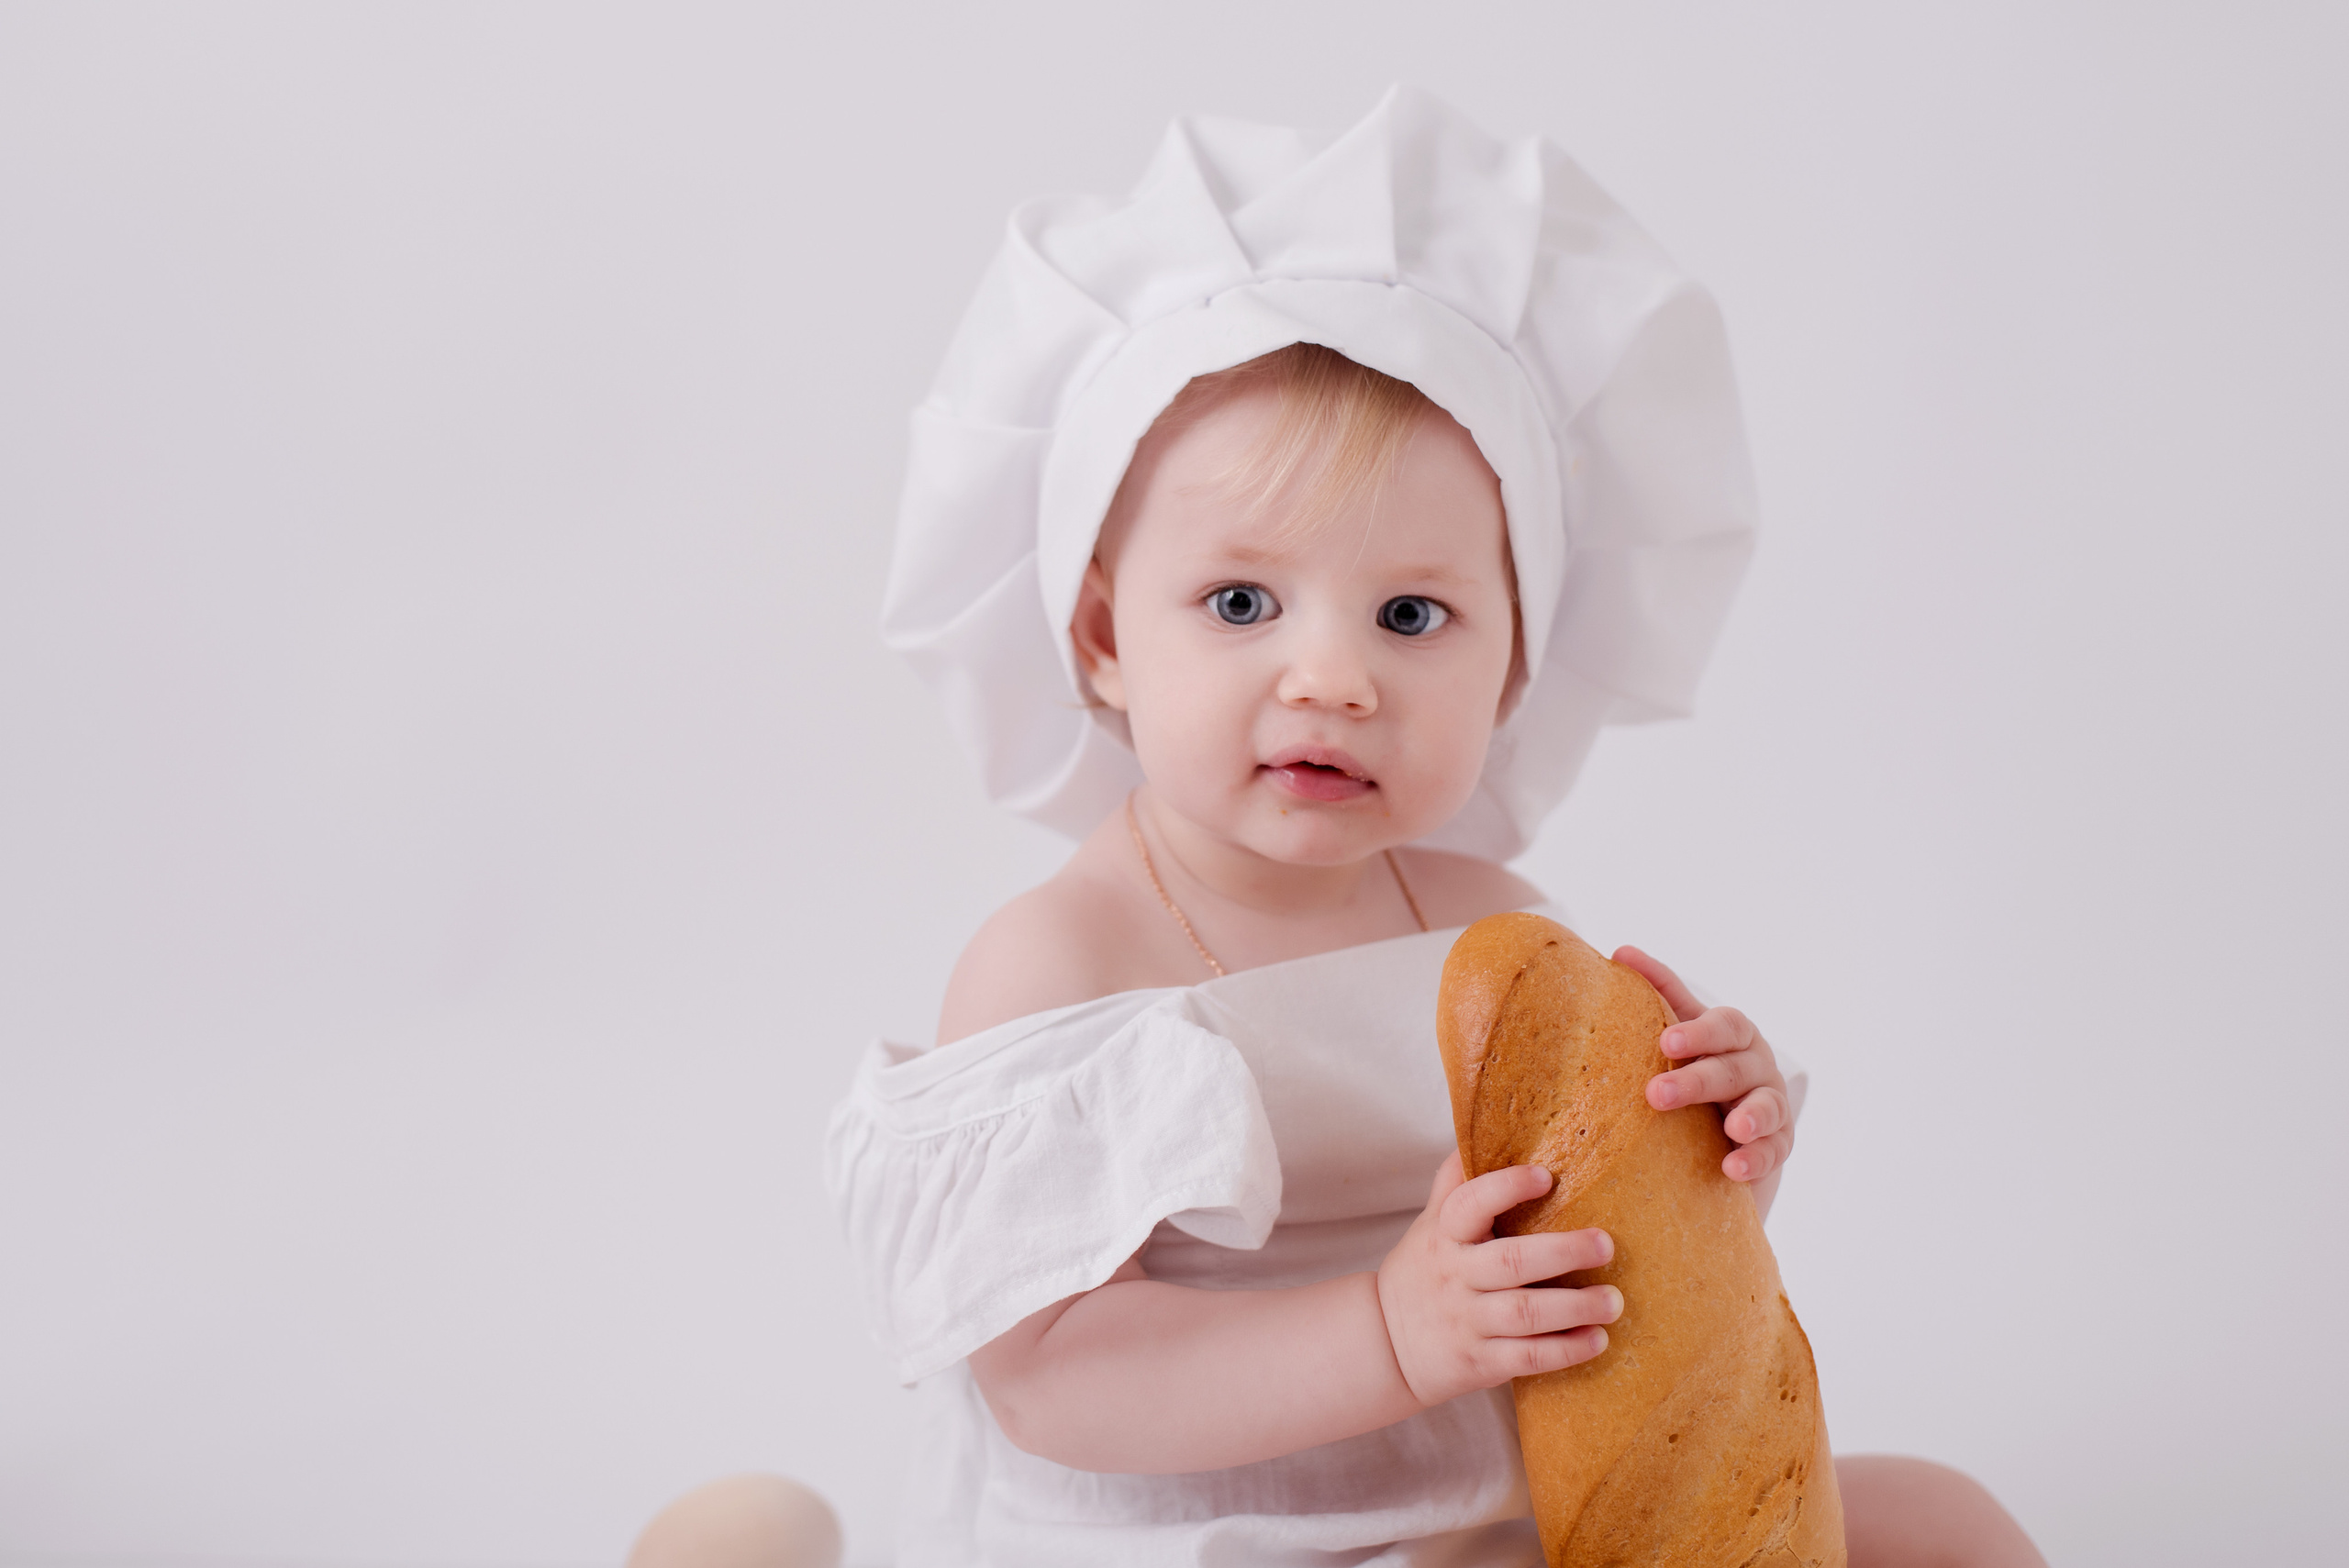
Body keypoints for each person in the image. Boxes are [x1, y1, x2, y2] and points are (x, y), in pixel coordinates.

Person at [818, 88, 2046, 1568]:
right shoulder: (1059, 961)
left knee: (1946, 1526)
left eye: (1414, 613)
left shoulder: (1487, 921)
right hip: (1211, 1534)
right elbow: (1050, 1376)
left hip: (1492, 1508)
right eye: (1241, 601)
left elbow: (1586, 1258)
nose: (1333, 676)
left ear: (1513, 666)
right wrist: (1386, 1333)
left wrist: (1706, 1167)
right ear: (1101, 636)